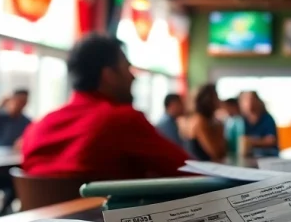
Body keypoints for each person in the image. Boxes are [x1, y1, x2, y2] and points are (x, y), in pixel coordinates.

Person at [22, 34, 189, 179]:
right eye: (127, 68)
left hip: (42, 216)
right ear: (109, 75)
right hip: (102, 216)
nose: (133, 77)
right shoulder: (122, 121)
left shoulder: (36, 129)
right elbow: (191, 172)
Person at [184, 84, 226, 162]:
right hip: (200, 171)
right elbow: (216, 153)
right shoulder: (200, 121)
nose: (219, 100)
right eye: (216, 97)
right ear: (208, 100)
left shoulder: (204, 120)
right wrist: (220, 127)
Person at [238, 91, 279, 158]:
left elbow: (271, 140)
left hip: (268, 156)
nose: (249, 103)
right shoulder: (240, 121)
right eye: (245, 100)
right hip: (248, 157)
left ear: (258, 101)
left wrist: (250, 142)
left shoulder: (267, 119)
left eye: (251, 99)